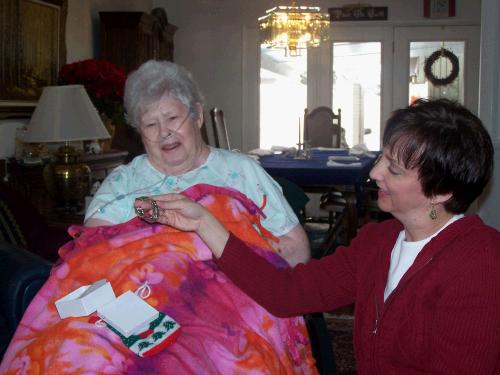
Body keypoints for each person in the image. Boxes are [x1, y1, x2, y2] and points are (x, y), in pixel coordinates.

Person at [135, 98, 500, 373]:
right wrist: (204, 221)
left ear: (440, 193)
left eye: (395, 168)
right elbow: (285, 293)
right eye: (382, 158)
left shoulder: (480, 264)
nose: (374, 173)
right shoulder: (379, 243)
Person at [84, 60, 310, 266]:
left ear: (197, 116)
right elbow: (90, 255)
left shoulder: (242, 171)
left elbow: (297, 249)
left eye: (172, 118)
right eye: (151, 125)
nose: (164, 133)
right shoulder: (123, 183)